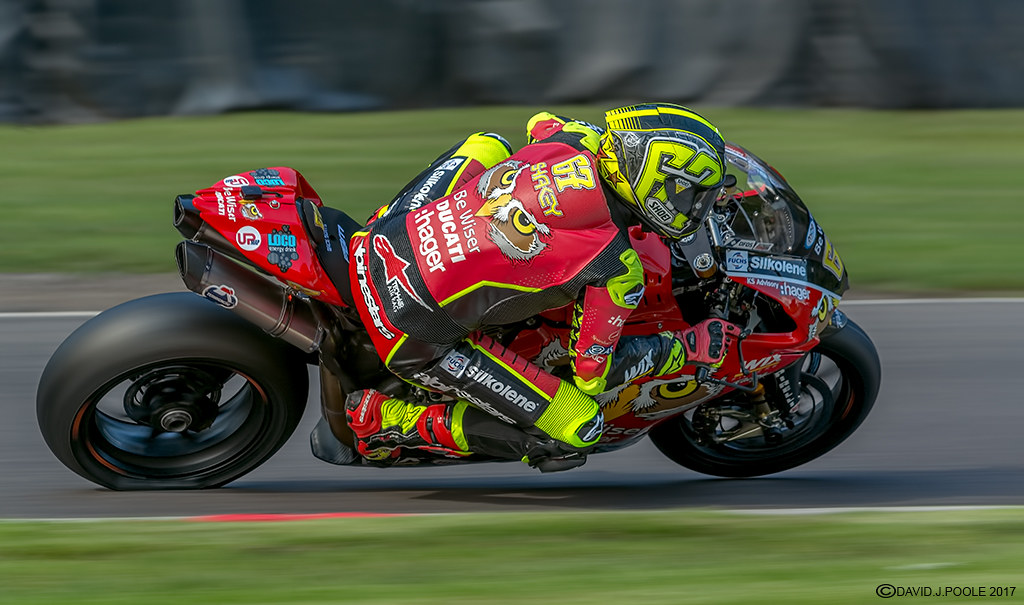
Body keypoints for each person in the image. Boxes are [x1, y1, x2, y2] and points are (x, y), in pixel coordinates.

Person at [345, 102, 740, 471]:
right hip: (408, 329)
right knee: (581, 425)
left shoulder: (577, 138)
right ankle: (389, 422)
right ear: (651, 182)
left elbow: (540, 122)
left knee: (489, 144)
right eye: (688, 194)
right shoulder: (617, 265)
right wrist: (684, 348)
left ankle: (387, 222)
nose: (695, 208)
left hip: (378, 241)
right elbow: (591, 374)